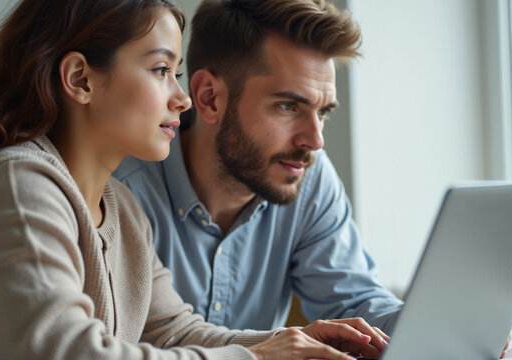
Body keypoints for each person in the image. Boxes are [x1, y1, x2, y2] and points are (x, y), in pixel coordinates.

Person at [0, 0, 392, 359]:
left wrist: (293, 343)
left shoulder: (120, 206)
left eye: (174, 73)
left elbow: (174, 331)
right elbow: (68, 352)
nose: (181, 99)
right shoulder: (17, 186)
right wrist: (259, 358)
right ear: (81, 78)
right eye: (162, 70)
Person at [114, 0, 403, 334]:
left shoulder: (307, 175)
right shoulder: (121, 188)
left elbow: (355, 305)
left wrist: (440, 322)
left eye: (323, 112)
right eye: (288, 106)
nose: (315, 141)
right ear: (209, 98)